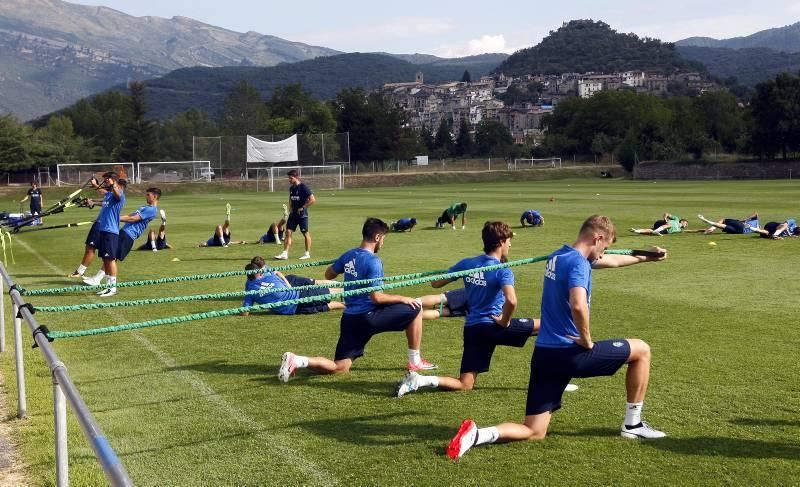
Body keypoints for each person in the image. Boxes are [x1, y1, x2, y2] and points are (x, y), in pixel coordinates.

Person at [446, 215, 668, 460]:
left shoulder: (558, 256)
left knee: (534, 430)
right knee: (642, 350)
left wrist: (647, 257)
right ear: (598, 238)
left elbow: (613, 261)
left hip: (544, 356)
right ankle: (633, 425)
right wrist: (587, 340)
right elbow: (578, 305)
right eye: (603, 248)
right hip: (570, 353)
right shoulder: (579, 264)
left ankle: (476, 435)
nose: (603, 254)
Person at [277, 217, 437, 382]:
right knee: (416, 307)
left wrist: (346, 264)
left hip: (350, 319)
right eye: (383, 239)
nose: (382, 243)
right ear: (377, 238)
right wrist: (403, 298)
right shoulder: (374, 261)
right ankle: (415, 361)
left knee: (340, 367)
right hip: (369, 316)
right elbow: (377, 297)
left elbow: (329, 274)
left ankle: (297, 360)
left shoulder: (349, 254)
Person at [395, 221, 540, 398]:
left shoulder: (468, 263)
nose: (510, 244)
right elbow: (512, 300)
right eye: (509, 240)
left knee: (465, 384)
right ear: (501, 242)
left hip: (473, 329)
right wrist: (504, 321)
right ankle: (552, 378)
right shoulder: (503, 270)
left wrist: (458, 271)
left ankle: (420, 380)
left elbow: (436, 283)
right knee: (548, 325)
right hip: (492, 326)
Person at [82, 188, 162, 294]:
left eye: (148, 195)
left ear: (155, 196)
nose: (146, 196)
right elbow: (129, 216)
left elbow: (134, 219)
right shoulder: (145, 207)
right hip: (124, 233)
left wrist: (113, 218)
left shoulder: (151, 210)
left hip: (128, 235)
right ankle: (100, 280)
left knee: (111, 258)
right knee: (110, 257)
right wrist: (111, 217)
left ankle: (107, 284)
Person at [68, 173, 126, 292]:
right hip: (104, 230)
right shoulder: (109, 195)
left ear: (114, 181)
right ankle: (108, 286)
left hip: (111, 231)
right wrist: (95, 187)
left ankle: (112, 288)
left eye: (106, 179)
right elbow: (103, 193)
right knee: (106, 259)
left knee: (110, 259)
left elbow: (118, 194)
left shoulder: (119, 195)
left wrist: (113, 183)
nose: (104, 181)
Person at [239, 260, 344, 315]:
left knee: (323, 290)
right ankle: (346, 305)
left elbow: (278, 273)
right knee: (323, 306)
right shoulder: (250, 289)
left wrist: (287, 285)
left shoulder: (265, 274)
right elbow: (245, 312)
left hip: (297, 293)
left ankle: (349, 290)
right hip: (293, 309)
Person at [275, 169, 315, 260]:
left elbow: (313, 199)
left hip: (302, 215)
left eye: (290, 178)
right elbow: (291, 199)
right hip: (293, 215)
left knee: (305, 233)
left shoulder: (304, 187)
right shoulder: (292, 188)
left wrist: (303, 207)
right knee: (288, 232)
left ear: (296, 177)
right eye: (288, 178)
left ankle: (307, 253)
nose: (289, 180)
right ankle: (285, 253)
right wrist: (290, 208)